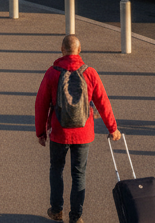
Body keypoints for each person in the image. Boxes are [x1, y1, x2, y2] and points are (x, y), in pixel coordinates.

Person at [34, 34, 121, 223]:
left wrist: (41, 132)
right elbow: (103, 103)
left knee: (56, 169)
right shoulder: (89, 72)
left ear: (61, 49)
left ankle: (57, 211)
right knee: (79, 174)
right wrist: (112, 128)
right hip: (83, 132)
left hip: (59, 132)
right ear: (79, 51)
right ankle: (76, 216)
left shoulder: (52, 72)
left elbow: (41, 104)